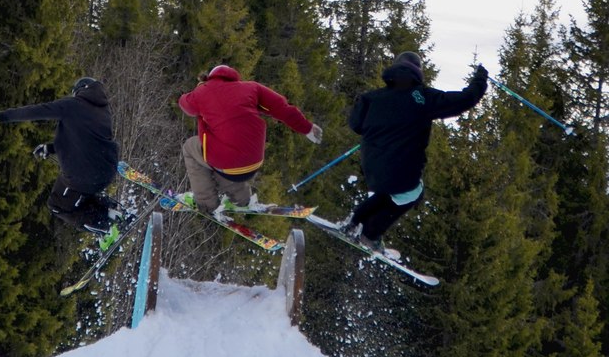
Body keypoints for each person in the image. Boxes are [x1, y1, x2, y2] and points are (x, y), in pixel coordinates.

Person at [344, 51, 488, 250]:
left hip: (371, 165)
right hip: (403, 166)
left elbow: (356, 125)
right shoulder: (423, 97)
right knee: (411, 192)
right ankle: (370, 233)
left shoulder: (371, 98)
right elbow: (465, 99)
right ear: (417, 72)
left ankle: (354, 222)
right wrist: (480, 79)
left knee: (388, 192)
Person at [0, 77, 124, 239]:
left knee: (57, 205)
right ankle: (110, 212)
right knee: (80, 195)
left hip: (85, 176)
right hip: (106, 172)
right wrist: (50, 148)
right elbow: (84, 143)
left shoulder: (72, 106)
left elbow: (37, 111)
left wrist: (1, 116)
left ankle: (106, 225)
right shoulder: (104, 112)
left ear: (80, 90)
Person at [178, 64, 322, 215]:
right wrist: (307, 128)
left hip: (225, 162)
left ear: (210, 78)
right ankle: (241, 200)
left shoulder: (203, 91)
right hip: (253, 163)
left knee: (191, 147)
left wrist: (197, 89)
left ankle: (206, 204)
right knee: (227, 150)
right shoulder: (251, 88)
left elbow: (185, 104)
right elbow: (282, 108)